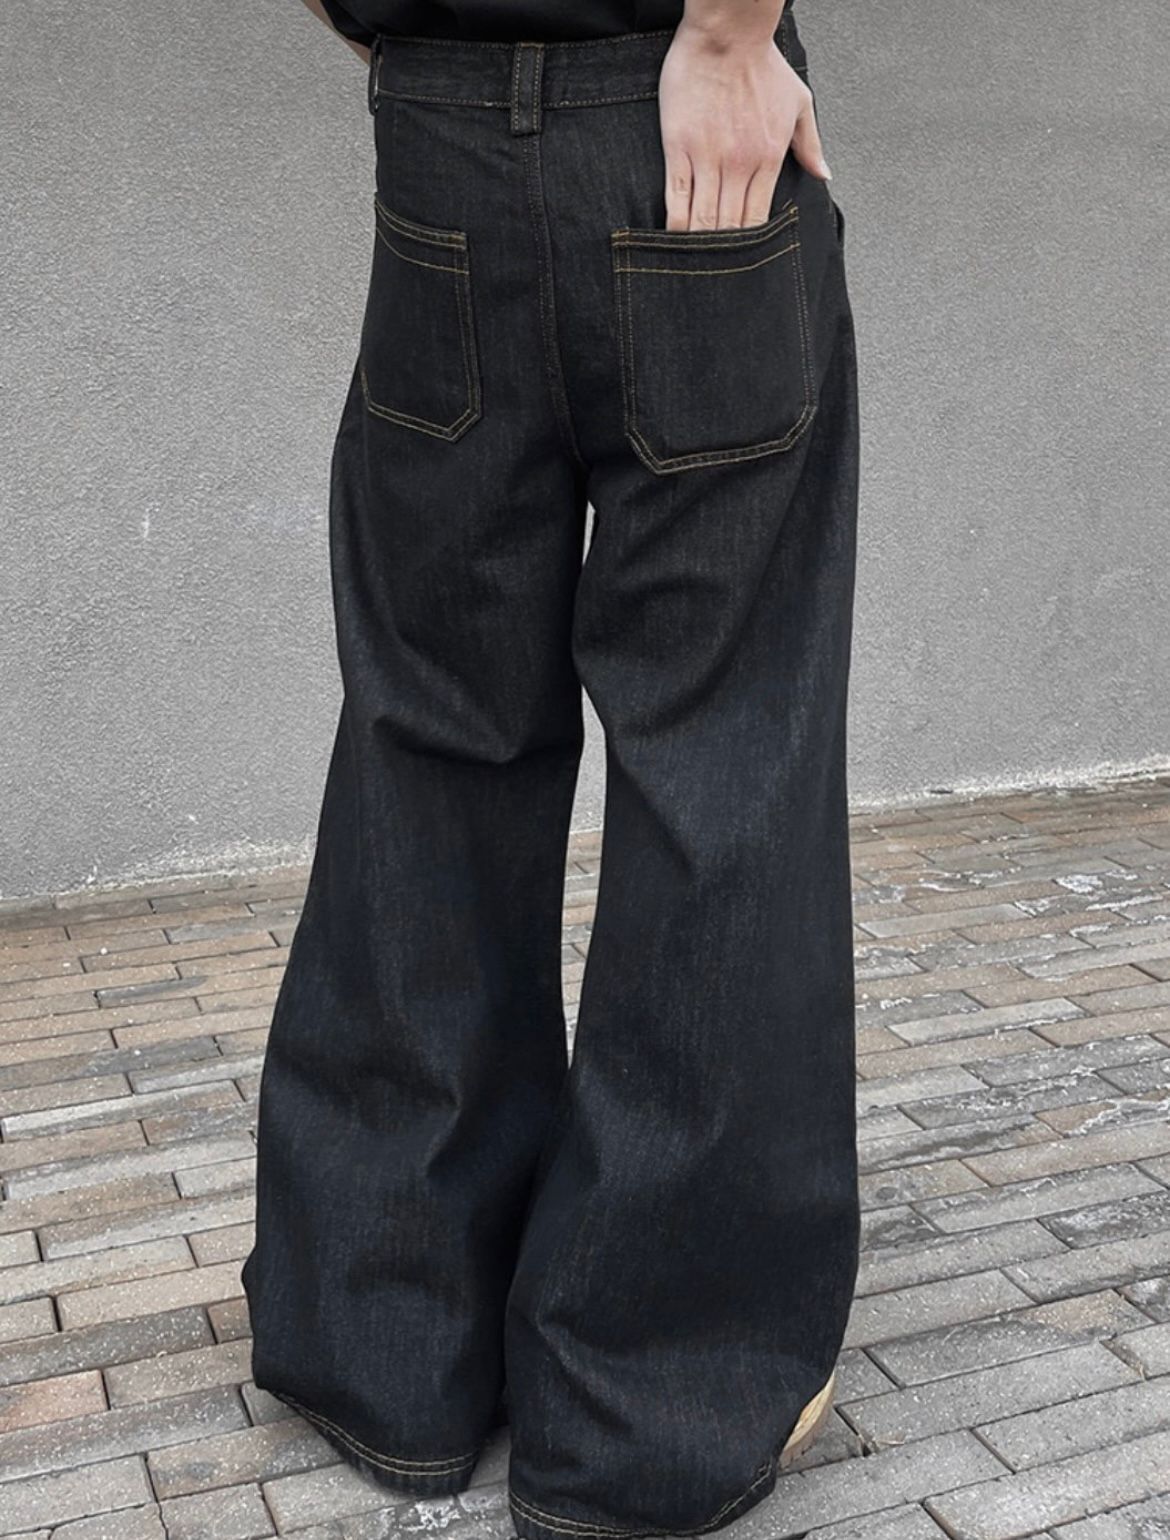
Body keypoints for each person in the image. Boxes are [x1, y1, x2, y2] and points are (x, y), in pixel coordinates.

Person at [241, 1, 860, 1536]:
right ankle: (648, 1403)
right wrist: (727, 33)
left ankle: (386, 1346)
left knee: (430, 737)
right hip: (676, 121)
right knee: (719, 761)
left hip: (437, 134)